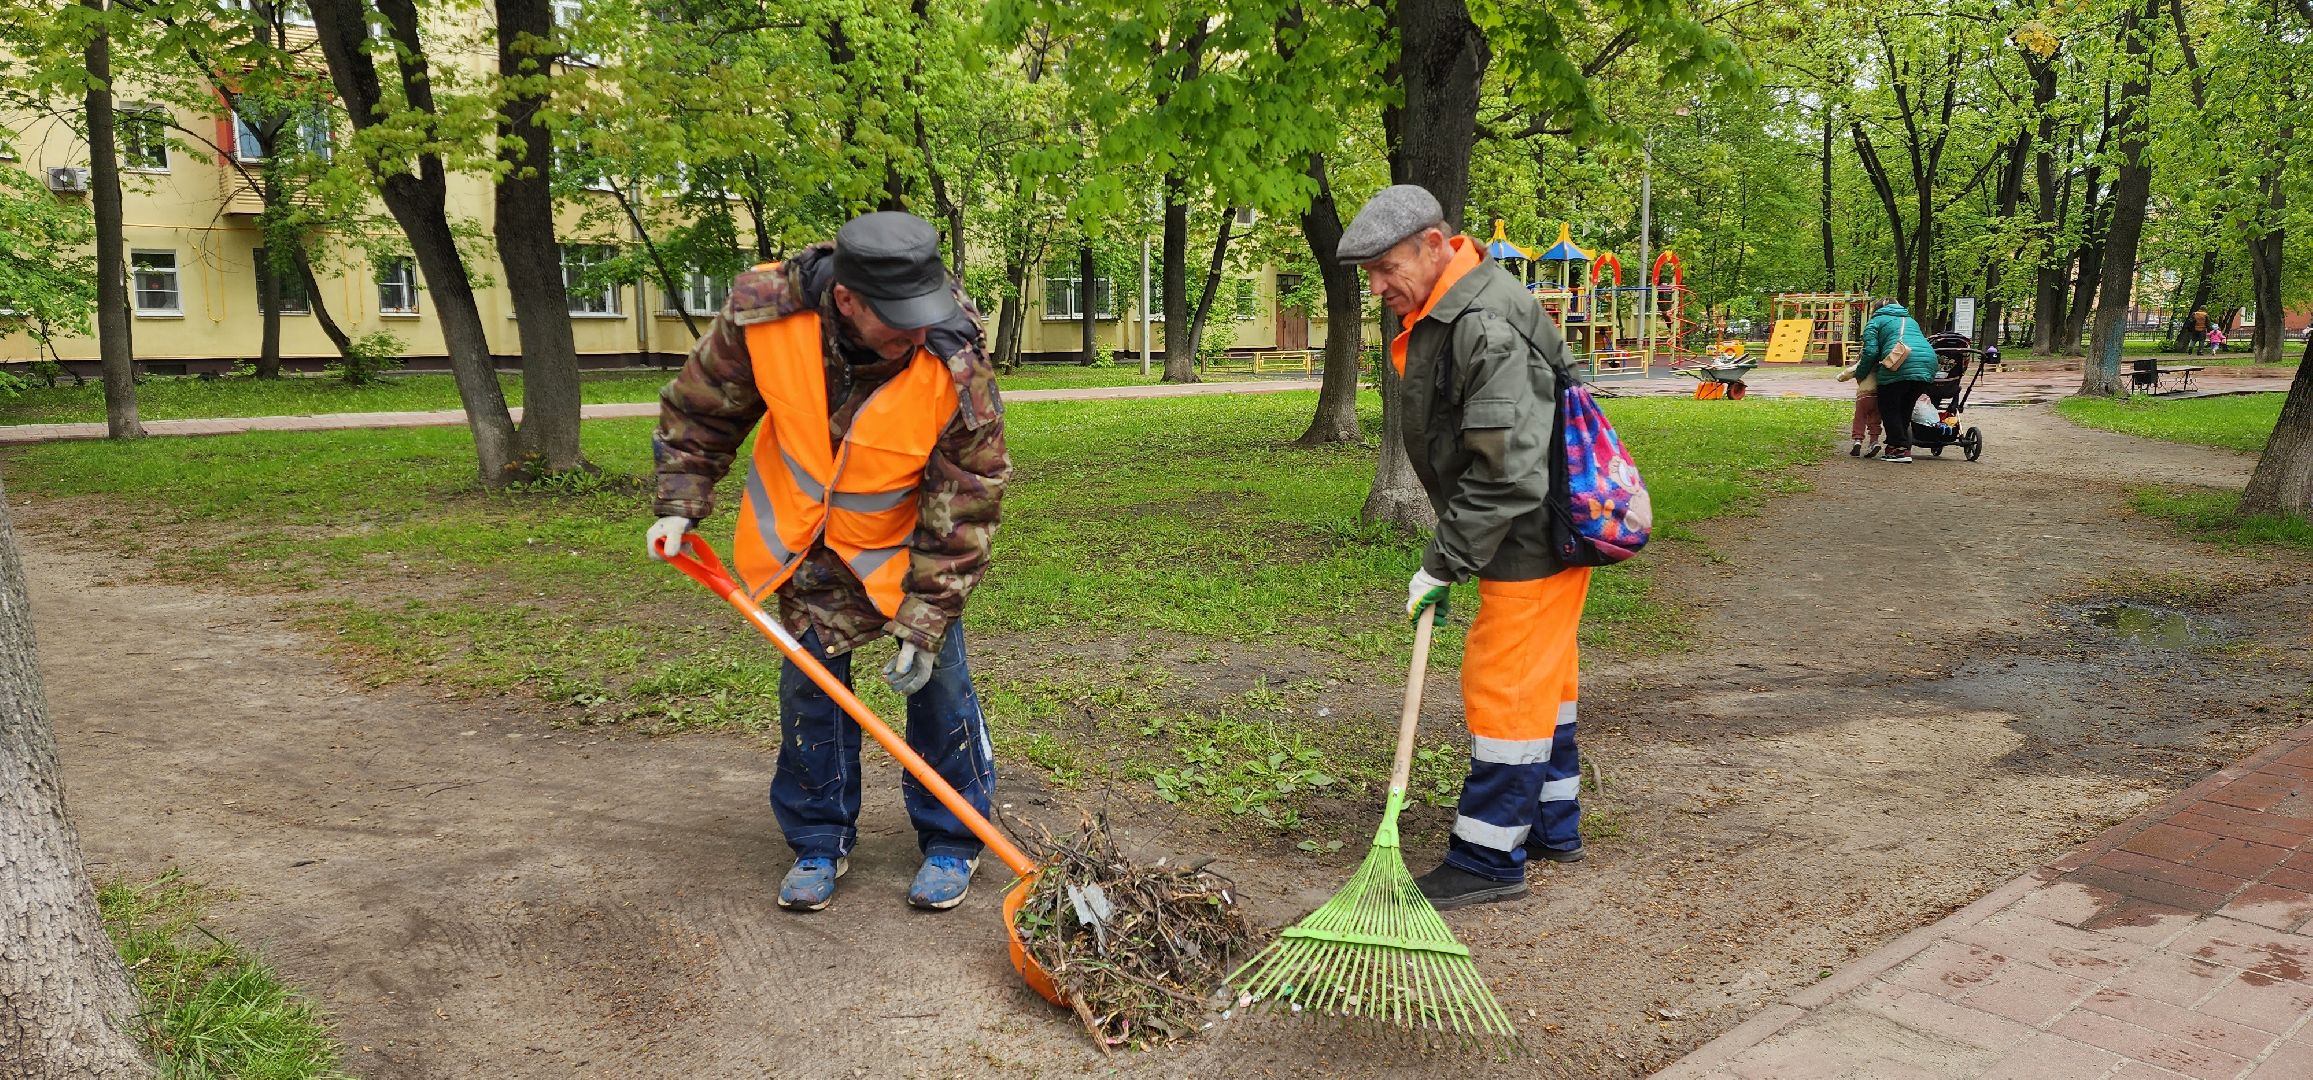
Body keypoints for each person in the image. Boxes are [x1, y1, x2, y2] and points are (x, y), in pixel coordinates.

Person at [646, 212, 1010, 914]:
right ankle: (819, 839)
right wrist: (680, 501)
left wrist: (926, 615)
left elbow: (968, 491)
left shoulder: (951, 356)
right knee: (812, 695)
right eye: (894, 321)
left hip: (904, 551)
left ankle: (953, 840)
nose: (911, 334)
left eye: (920, 315)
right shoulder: (764, 316)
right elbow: (701, 410)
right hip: (803, 545)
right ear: (846, 300)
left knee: (940, 692)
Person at [1338, 185, 1592, 910]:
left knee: (1505, 685)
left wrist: (1440, 561)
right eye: (1370, 276)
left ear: (1434, 242)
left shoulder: (1481, 320)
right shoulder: (1457, 304)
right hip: (1531, 530)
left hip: (1528, 536)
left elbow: (1506, 470)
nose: (1380, 287)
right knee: (1544, 680)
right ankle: (1549, 823)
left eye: (1387, 268)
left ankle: (1486, 855)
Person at [1850, 298, 1937, 464]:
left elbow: (1870, 351)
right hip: (1928, 364)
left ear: (1875, 309)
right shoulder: (1910, 320)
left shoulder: (1875, 322)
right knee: (1905, 406)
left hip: (1900, 364)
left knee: (1889, 407)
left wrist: (1860, 374)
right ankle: (1903, 447)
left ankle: (1897, 448)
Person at [1836, 357, 1882, 457]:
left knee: (1860, 418)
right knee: (1875, 421)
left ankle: (1858, 440)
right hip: (1878, 396)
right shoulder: (1881, 364)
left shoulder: (1863, 363)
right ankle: (1874, 442)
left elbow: (1849, 372)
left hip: (1864, 395)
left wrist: (1840, 377)